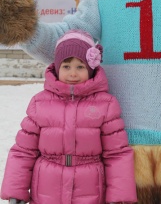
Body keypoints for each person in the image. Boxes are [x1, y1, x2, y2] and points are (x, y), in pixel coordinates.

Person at [0, 30, 137, 204]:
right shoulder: (40, 103)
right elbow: (23, 151)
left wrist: (119, 197)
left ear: (90, 69)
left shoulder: (106, 105)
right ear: (57, 68)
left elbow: (116, 154)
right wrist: (15, 191)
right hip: (46, 192)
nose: (73, 73)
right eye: (66, 66)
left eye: (80, 67)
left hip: (90, 192)